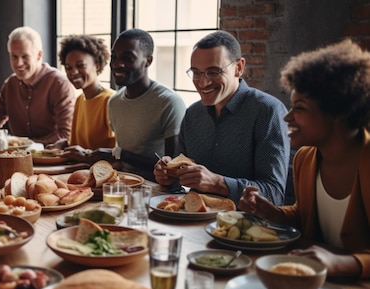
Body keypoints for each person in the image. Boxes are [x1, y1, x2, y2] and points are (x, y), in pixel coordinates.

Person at [239, 39, 370, 279]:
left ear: (338, 112)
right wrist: (275, 214)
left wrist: (341, 263)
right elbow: (308, 215)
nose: (288, 117)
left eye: (299, 108)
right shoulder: (305, 159)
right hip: (316, 283)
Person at [154, 31, 289, 205]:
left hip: (247, 226)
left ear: (238, 68)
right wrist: (169, 176)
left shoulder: (268, 111)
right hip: (193, 221)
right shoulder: (192, 114)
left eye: (213, 72)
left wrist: (219, 183)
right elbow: (180, 184)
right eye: (196, 73)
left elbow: (274, 194)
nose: (202, 83)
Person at [67, 29, 185, 181]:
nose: (117, 64)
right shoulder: (114, 102)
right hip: (122, 184)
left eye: (127, 58)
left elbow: (173, 169)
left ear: (148, 61)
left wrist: (119, 154)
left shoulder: (168, 102)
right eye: (114, 57)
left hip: (158, 191)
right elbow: (121, 159)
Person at [50, 34, 115, 150]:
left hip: (103, 168)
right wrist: (64, 144)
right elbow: (78, 145)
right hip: (80, 167)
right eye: (68, 68)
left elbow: (120, 152)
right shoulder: (80, 99)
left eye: (81, 65)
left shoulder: (110, 101)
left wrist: (86, 155)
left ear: (97, 66)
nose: (73, 72)